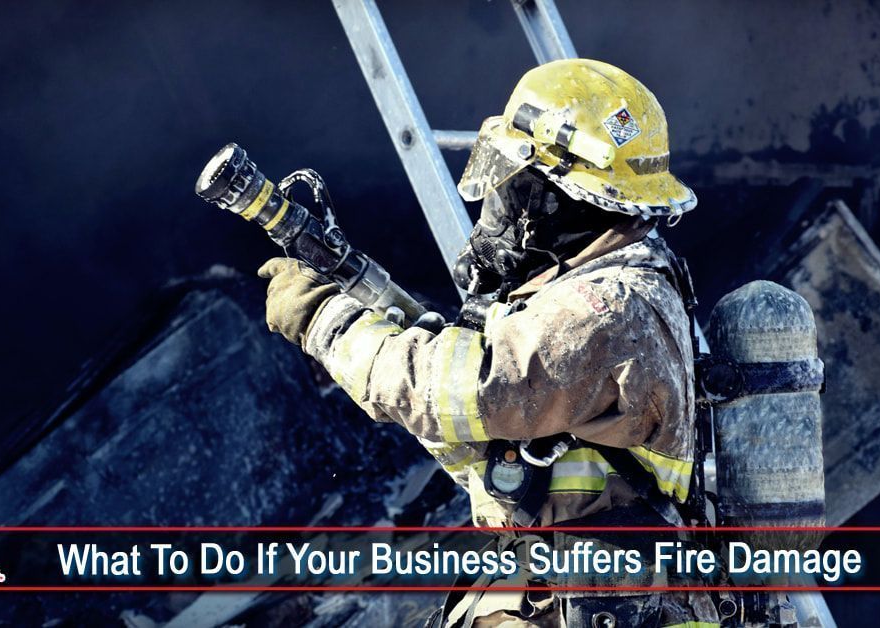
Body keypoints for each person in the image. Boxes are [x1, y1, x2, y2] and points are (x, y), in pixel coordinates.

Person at [258, 59, 719, 627]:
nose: (497, 201)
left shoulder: (607, 310)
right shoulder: (592, 293)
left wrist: (321, 317)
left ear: (558, 195)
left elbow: (449, 391)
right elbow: (481, 439)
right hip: (568, 593)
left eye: (513, 180)